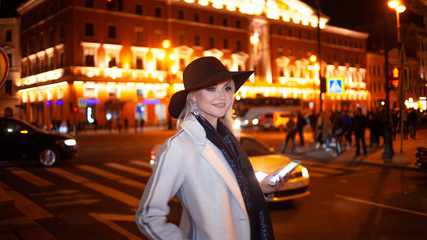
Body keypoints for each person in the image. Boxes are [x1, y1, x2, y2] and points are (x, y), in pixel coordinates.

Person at [135, 57, 287, 240]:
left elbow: (229, 196)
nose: (222, 96)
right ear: (192, 97)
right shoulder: (181, 146)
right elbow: (148, 217)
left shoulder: (228, 139)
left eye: (227, 88)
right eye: (211, 88)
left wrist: (262, 188)